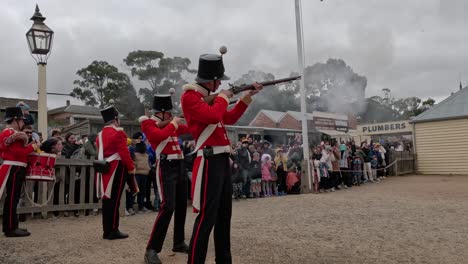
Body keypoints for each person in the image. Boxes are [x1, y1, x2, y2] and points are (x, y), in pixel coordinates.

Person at [181, 52, 262, 264]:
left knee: (224, 216)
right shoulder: (190, 97)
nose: (220, 85)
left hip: (221, 160)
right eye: (218, 81)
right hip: (209, 161)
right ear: (213, 80)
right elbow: (213, 116)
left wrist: (247, 96)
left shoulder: (213, 100)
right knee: (207, 218)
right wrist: (225, 96)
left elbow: (229, 117)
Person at [140, 94, 190, 264]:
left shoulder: (170, 123)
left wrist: (193, 114)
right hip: (166, 166)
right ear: (162, 113)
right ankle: (151, 249)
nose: (171, 115)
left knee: (182, 205)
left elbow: (189, 128)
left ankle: (178, 242)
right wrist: (175, 122)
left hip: (180, 165)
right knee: (167, 207)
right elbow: (157, 137)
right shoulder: (148, 123)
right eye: (169, 113)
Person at [96, 106, 135, 240]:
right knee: (115, 200)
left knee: (107, 200)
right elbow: (124, 153)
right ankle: (113, 230)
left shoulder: (99, 135)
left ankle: (107, 230)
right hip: (117, 168)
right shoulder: (119, 133)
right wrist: (131, 168)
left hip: (105, 168)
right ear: (115, 119)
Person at [0, 107, 40, 237]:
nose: (23, 123)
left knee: (14, 198)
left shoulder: (11, 132)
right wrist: (34, 145)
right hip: (14, 168)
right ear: (15, 120)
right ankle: (10, 228)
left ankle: (12, 225)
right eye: (21, 120)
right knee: (12, 199)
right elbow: (18, 152)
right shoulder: (9, 133)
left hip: (16, 167)